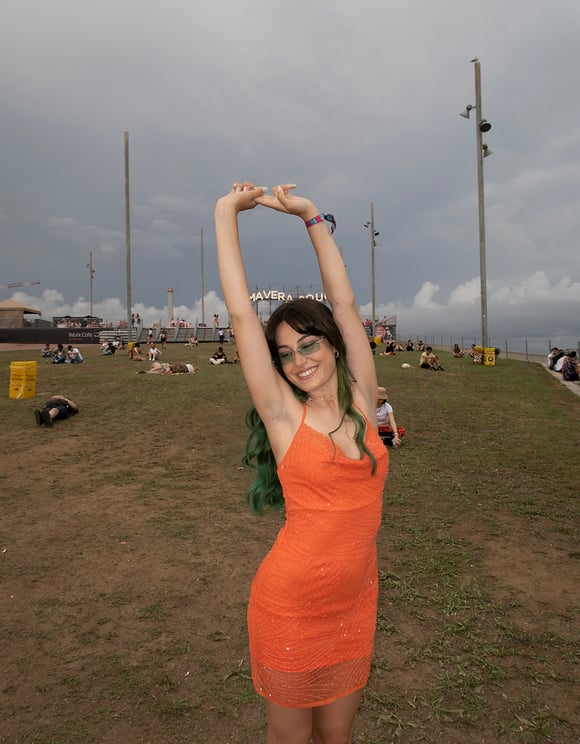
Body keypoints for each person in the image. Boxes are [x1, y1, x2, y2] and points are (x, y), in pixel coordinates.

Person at [215, 182, 388, 744]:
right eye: (285, 354)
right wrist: (226, 213)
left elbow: (346, 304)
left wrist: (311, 216)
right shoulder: (284, 418)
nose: (298, 361)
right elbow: (242, 314)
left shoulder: (364, 396)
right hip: (290, 606)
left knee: (337, 736)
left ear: (334, 344)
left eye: (308, 344)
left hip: (356, 598)